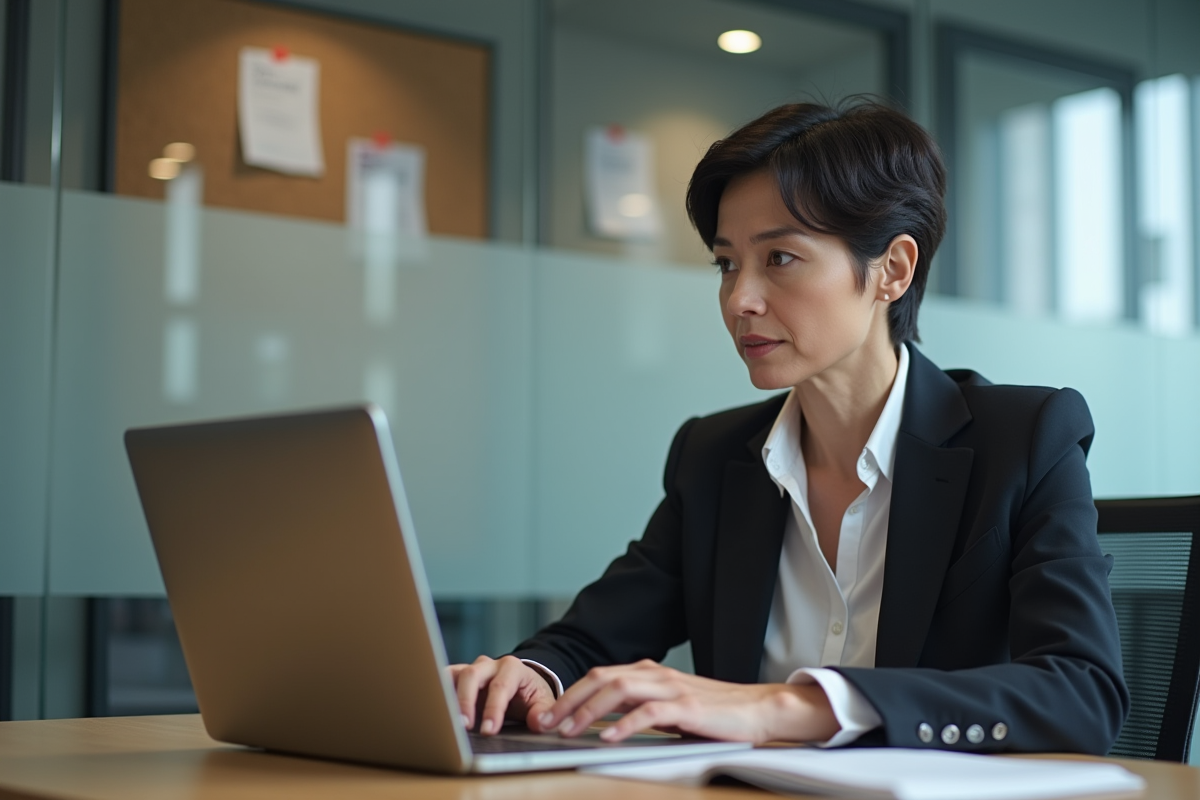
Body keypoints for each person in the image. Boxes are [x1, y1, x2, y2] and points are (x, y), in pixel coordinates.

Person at [448, 100, 1129, 753]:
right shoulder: (712, 457)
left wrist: (784, 707)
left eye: (779, 258)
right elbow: (590, 640)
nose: (739, 299)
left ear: (892, 270)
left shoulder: (1023, 440)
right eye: (726, 264)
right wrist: (529, 675)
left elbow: (1082, 692)